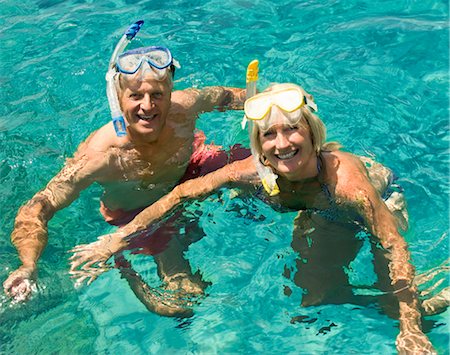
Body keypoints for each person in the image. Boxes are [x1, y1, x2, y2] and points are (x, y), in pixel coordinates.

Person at [70, 83, 448, 353]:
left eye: (292, 130)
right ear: (259, 146)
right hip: (315, 211)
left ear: (313, 135)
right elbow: (182, 193)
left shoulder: (348, 184)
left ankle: (436, 295)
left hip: (371, 203)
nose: (282, 143)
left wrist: (411, 330)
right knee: (313, 302)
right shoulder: (253, 170)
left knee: (397, 307)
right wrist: (117, 239)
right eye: (270, 135)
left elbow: (392, 243)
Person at [2, 21, 250, 310]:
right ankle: (127, 267)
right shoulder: (101, 154)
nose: (148, 106)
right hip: (140, 215)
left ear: (169, 94)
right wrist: (28, 264)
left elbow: (229, 96)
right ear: (118, 101)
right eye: (136, 96)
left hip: (193, 166)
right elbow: (38, 207)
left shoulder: (186, 106)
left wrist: (276, 101)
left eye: (157, 94)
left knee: (271, 169)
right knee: (183, 300)